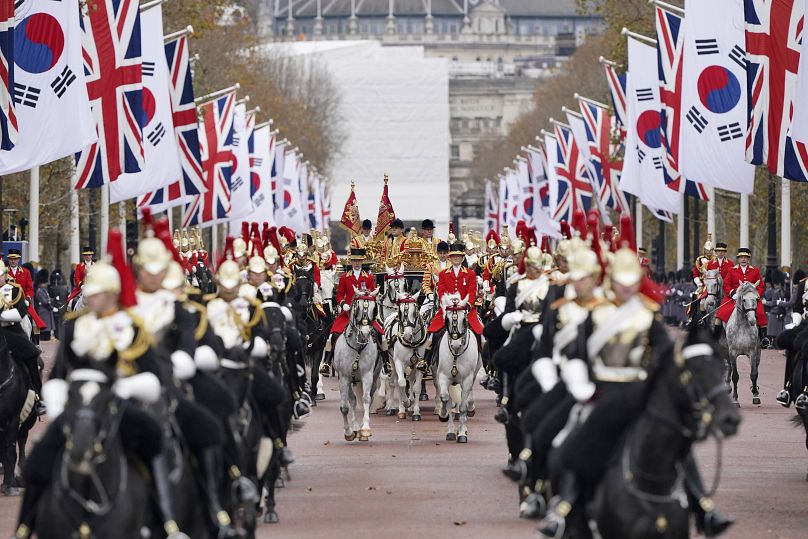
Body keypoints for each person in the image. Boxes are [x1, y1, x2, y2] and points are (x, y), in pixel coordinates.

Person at [14, 246, 181, 539]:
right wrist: (57, 397)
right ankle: (25, 526)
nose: (91, 298)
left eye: (98, 292)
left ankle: (165, 521)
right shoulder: (76, 326)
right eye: (89, 292)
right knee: (42, 455)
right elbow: (59, 375)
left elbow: (152, 375)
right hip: (79, 401)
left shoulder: (131, 326)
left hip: (119, 400)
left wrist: (129, 386)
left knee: (153, 444)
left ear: (113, 293)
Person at [319, 248, 382, 375]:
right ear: (351, 261)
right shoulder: (344, 277)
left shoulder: (368, 277)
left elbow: (372, 296)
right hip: (347, 314)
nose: (357, 263)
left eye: (359, 261)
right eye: (354, 261)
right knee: (333, 334)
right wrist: (343, 304)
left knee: (381, 334)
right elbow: (339, 295)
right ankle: (326, 362)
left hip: (365, 314)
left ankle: (385, 363)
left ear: (362, 261)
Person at [0, 261, 45, 416]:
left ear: (4, 275)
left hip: (10, 332)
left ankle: (39, 397)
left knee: (33, 354)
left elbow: (21, 311)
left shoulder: (13, 290)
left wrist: (2, 315)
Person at [715, 247, 768, 344]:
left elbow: (760, 285)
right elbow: (726, 284)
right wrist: (732, 293)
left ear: (748, 259)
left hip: (751, 298)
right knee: (719, 316)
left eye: (746, 257)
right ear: (738, 259)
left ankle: (764, 339)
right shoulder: (732, 270)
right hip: (734, 297)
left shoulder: (755, 270)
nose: (743, 259)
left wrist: (757, 295)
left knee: (760, 313)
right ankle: (715, 340)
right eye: (741, 257)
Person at [34, 270, 54, 341]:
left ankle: (47, 337)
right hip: (43, 311)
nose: (45, 284)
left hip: (47, 311)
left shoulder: (44, 290)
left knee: (47, 327)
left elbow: (48, 299)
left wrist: (51, 300)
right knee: (44, 327)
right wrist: (51, 306)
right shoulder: (39, 291)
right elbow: (44, 301)